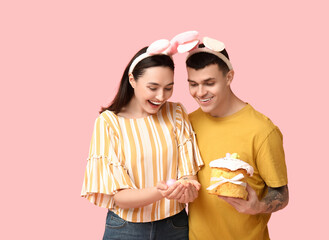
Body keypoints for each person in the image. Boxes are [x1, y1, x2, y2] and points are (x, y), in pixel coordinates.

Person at [81, 35, 203, 240]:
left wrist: (189, 190)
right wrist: (161, 191)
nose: (162, 97)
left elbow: (189, 176)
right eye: (153, 87)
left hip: (175, 225)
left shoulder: (176, 113)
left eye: (169, 88)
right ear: (132, 79)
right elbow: (119, 196)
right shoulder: (109, 123)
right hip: (126, 229)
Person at [184, 37, 289, 240]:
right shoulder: (188, 123)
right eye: (193, 84)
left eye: (209, 83)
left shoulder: (262, 130)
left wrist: (258, 206)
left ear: (229, 77)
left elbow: (282, 194)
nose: (200, 92)